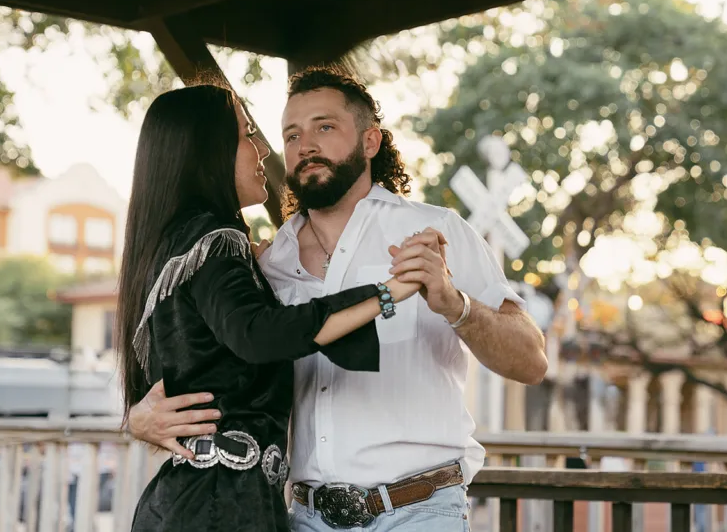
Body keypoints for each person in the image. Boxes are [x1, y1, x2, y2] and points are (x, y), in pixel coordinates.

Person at [129, 67, 548, 531]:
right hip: (302, 518)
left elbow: (531, 362)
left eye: (324, 127)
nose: (304, 144)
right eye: (291, 134)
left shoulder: (436, 232)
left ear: (370, 142)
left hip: (418, 513)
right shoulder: (265, 263)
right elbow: (190, 348)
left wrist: (454, 303)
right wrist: (137, 415)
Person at [116, 84, 423, 531]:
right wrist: (388, 292)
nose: (262, 149)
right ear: (209, 150)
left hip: (202, 502)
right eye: (247, 135)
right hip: (219, 510)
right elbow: (260, 335)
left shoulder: (183, 244)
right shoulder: (213, 241)